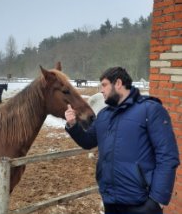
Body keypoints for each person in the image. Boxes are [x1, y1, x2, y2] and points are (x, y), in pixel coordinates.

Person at [65, 67, 180, 214]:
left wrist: (157, 201)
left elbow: (168, 157)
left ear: (118, 83)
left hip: (141, 204)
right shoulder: (104, 115)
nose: (101, 90)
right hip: (110, 201)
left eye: (104, 85)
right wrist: (73, 125)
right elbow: (88, 142)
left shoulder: (150, 110)